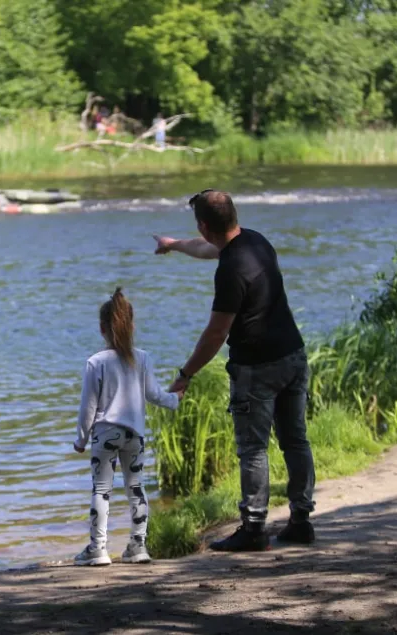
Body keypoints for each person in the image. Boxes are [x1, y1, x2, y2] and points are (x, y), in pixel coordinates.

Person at [153, 189, 315, 551]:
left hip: (257, 367)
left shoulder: (230, 270)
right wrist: (173, 244)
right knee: (295, 440)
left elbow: (216, 333)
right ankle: (301, 521)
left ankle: (254, 529)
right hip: (293, 354)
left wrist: (186, 374)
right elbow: (205, 247)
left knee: (253, 449)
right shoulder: (254, 241)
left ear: (205, 224)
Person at [72, 288, 182, 566]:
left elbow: (88, 408)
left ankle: (98, 549)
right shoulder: (142, 358)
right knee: (136, 487)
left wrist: (81, 439)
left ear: (101, 329)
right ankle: (138, 546)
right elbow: (154, 394)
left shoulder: (95, 362)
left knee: (101, 489)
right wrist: (175, 400)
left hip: (105, 434)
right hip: (135, 435)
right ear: (132, 326)